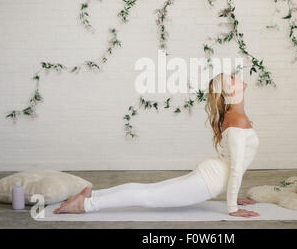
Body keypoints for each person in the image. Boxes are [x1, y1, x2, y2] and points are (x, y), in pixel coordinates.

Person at [54, 72, 261, 218]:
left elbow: (234, 164)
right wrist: (232, 206)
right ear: (230, 91)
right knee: (148, 195)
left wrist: (232, 196)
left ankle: (92, 195)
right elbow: (235, 168)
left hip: (210, 176)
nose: (237, 76)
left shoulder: (236, 116)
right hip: (208, 181)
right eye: (232, 78)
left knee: (148, 191)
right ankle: (87, 204)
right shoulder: (237, 119)